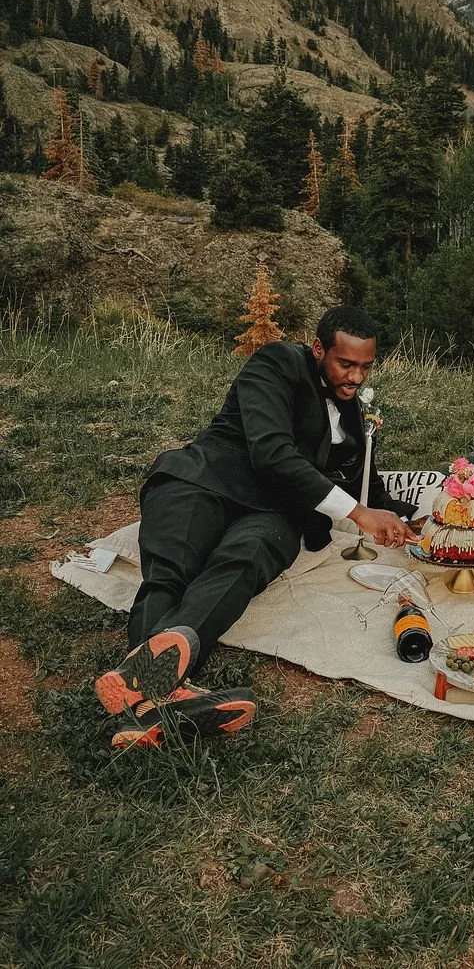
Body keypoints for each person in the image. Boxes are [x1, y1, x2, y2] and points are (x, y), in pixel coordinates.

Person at [95, 304, 420, 748]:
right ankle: (155, 700)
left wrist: (406, 517)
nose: (356, 377)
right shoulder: (276, 362)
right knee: (171, 574)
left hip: (275, 513)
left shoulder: (353, 415)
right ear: (319, 348)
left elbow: (366, 483)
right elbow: (271, 453)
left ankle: (147, 704)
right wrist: (357, 515)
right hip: (204, 480)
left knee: (243, 564)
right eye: (346, 364)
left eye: (366, 367)